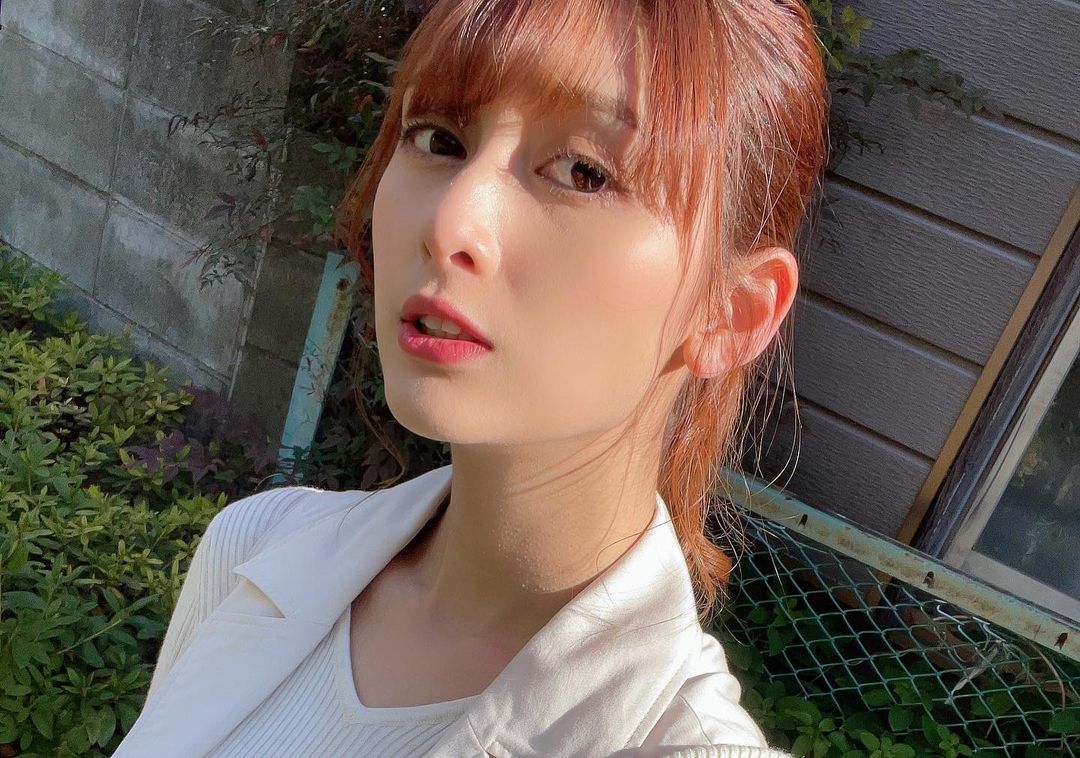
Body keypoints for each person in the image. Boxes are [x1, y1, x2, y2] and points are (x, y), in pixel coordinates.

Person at [113, 0, 828, 755]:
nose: (452, 221)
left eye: (583, 172)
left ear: (731, 313)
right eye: (439, 139)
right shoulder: (255, 547)